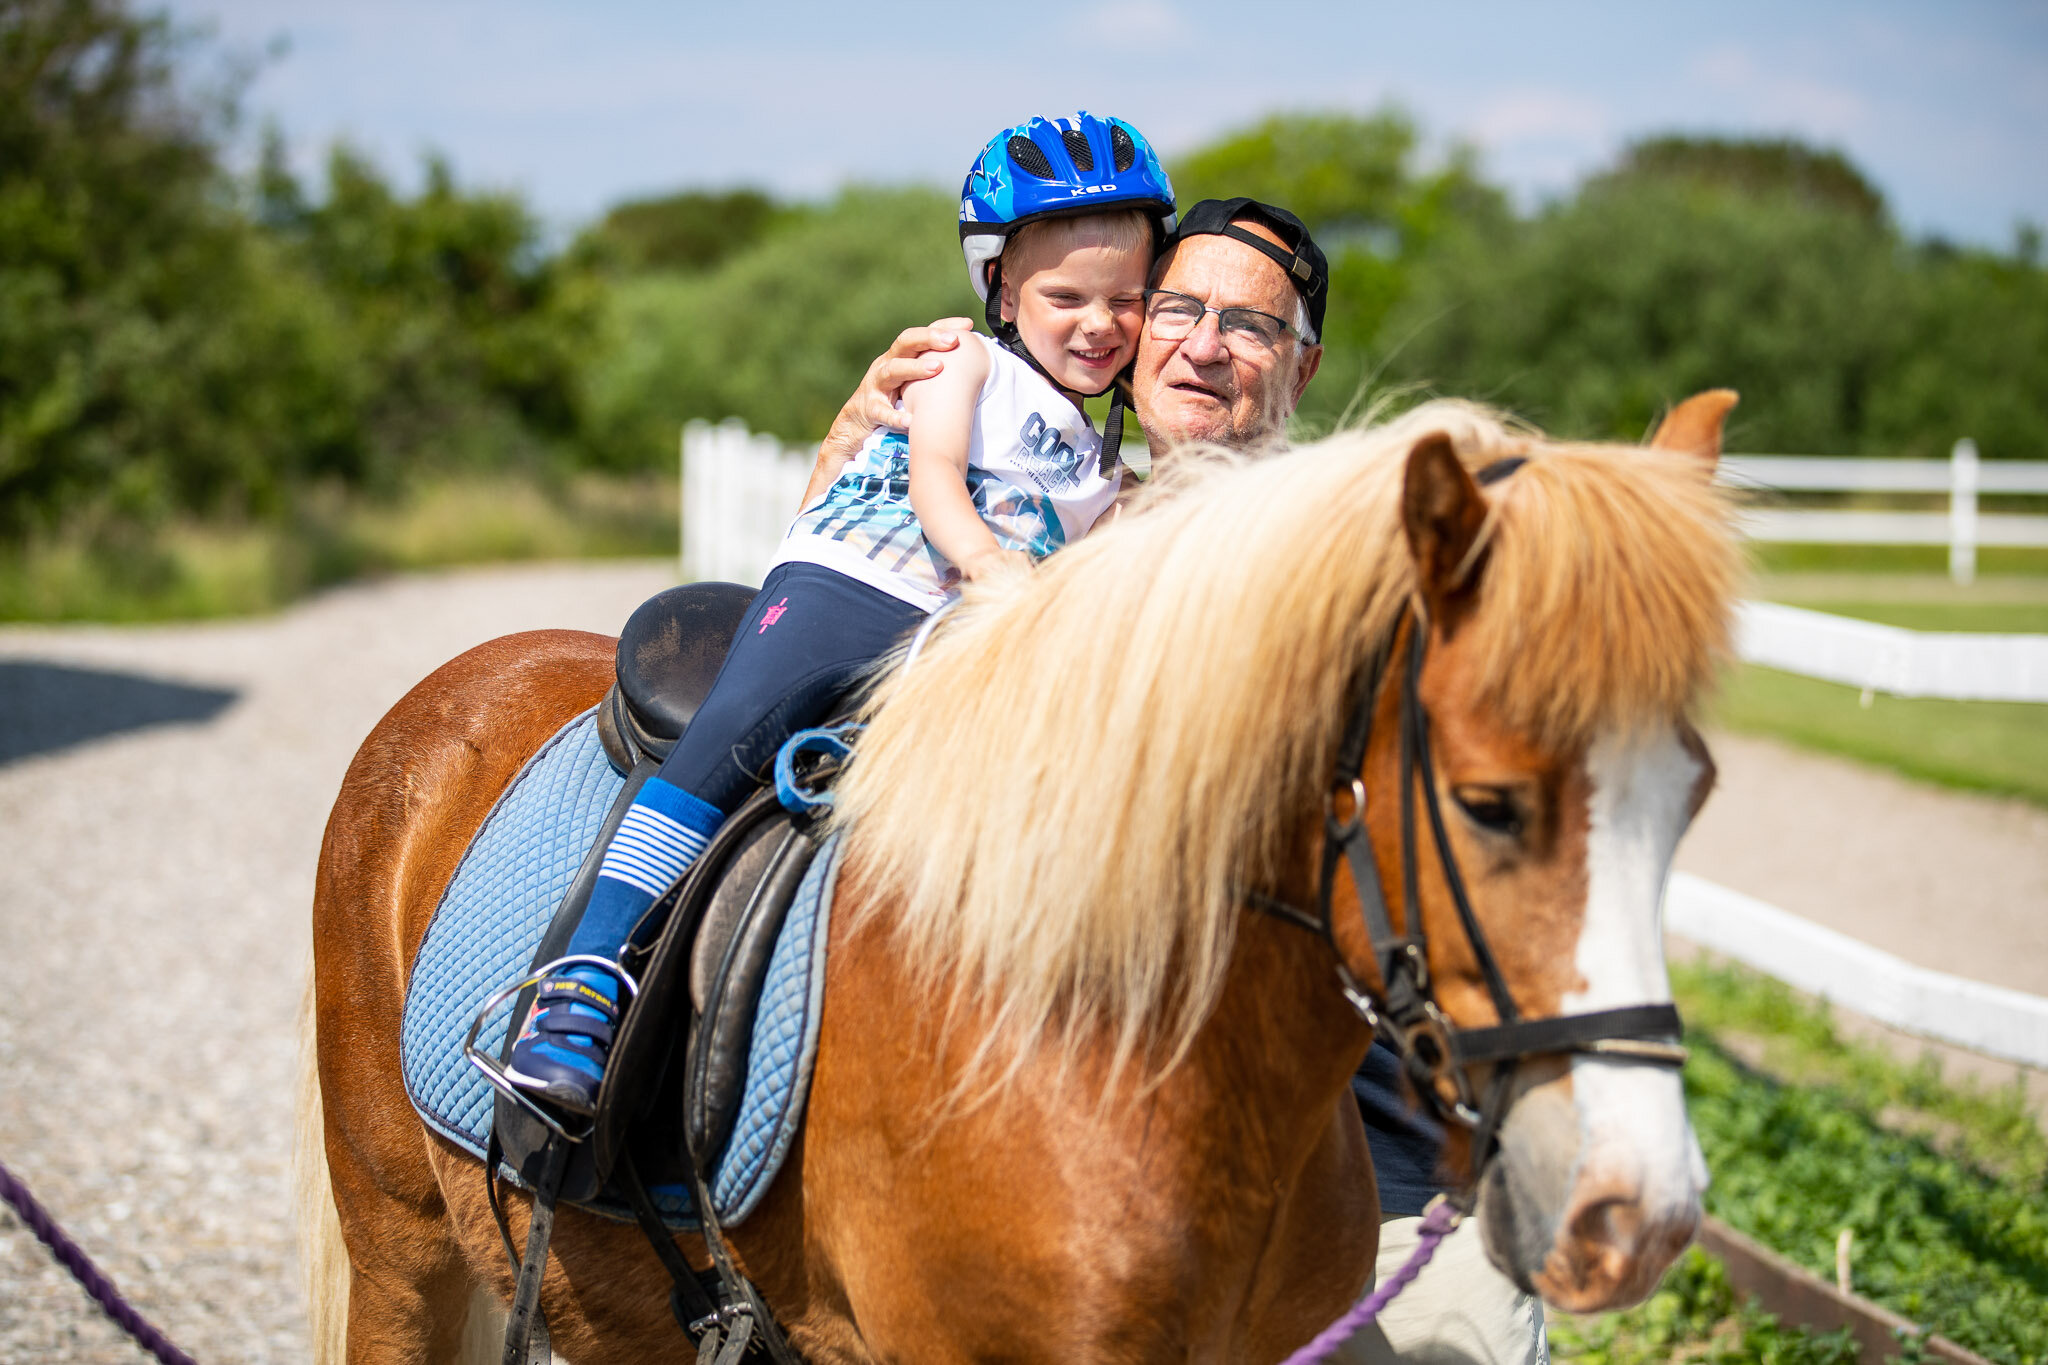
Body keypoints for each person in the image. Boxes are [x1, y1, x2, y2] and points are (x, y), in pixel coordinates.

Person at [811, 198, 1546, 1365]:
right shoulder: (1068, 507)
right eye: (1179, 309)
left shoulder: (1338, 556)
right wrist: (858, 454)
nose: (1205, 344)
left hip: (1370, 1134)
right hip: (1099, 1121)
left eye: (1251, 327)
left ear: (1300, 369)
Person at [501, 112, 1176, 1118]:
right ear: (999, 288)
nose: (1098, 323)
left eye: (1125, 300)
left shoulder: (1098, 459)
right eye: (1065, 296)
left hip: (962, 633)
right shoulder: (964, 362)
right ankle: (583, 979)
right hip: (860, 582)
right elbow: (939, 477)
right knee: (732, 736)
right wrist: (991, 564)